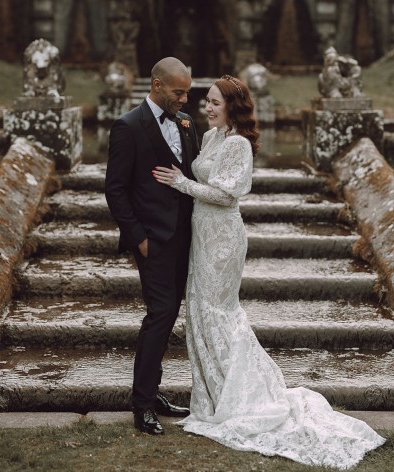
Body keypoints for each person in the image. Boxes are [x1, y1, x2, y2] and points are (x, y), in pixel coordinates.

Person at [153, 74, 385, 469]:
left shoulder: (239, 144)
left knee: (219, 312)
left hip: (224, 238)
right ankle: (213, 397)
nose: (206, 107)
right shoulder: (211, 138)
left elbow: (229, 195)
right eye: (205, 101)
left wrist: (181, 184)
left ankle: (244, 398)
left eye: (214, 102)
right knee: (198, 312)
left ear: (232, 107)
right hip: (202, 235)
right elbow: (202, 177)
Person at [105, 57, 199, 436]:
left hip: (187, 239)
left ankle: (153, 393)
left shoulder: (186, 123)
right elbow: (115, 190)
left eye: (188, 91)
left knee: (167, 316)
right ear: (156, 85)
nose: (185, 99)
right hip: (153, 242)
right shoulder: (127, 126)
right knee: (159, 316)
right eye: (179, 92)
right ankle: (142, 404)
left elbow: (189, 176)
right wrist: (139, 239)